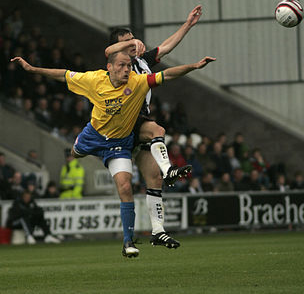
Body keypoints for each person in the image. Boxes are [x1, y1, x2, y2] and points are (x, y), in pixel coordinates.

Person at [11, 52, 216, 258]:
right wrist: (32, 69)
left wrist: (194, 66)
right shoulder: (94, 80)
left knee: (125, 186)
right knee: (76, 153)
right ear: (109, 67)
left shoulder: (138, 82)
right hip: (93, 136)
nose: (127, 69)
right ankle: (77, 147)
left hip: (119, 144)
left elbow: (168, 75)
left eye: (128, 65)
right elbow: (63, 75)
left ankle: (128, 242)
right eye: (122, 65)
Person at [105, 6, 202, 251]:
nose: (130, 45)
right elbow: (110, 51)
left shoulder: (142, 61)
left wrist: (188, 24)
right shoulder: (116, 68)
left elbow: (167, 46)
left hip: (139, 122)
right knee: (157, 130)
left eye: (131, 40)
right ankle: (169, 169)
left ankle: (158, 231)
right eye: (124, 43)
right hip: (123, 124)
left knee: (154, 178)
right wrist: (132, 43)